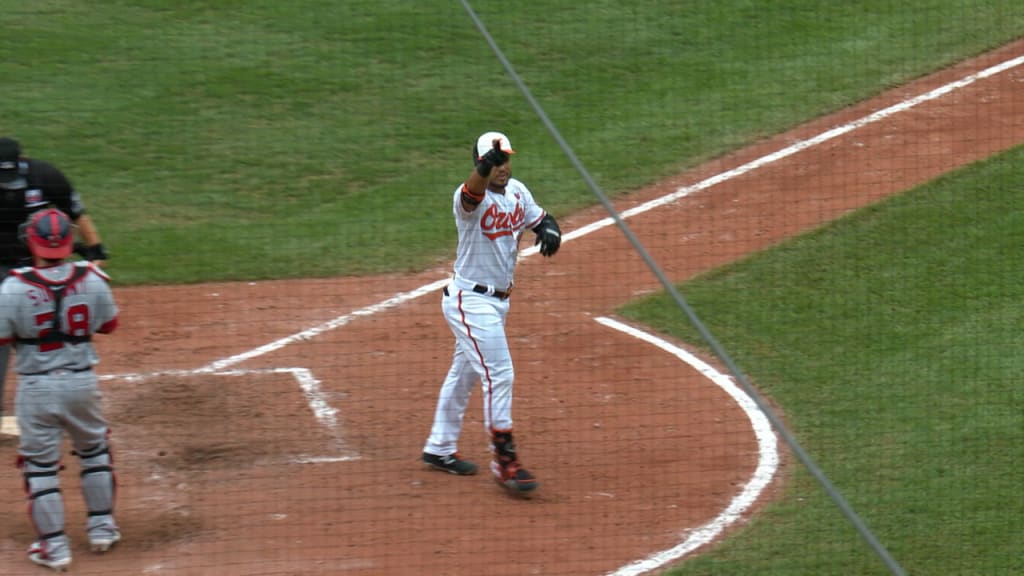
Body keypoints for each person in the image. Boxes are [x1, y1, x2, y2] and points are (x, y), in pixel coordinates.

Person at [422, 131, 562, 497]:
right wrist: (484, 165)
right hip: (470, 301)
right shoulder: (468, 198)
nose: (503, 168)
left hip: (498, 303)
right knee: (500, 374)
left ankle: (439, 447)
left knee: (464, 372)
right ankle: (505, 462)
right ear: (482, 163)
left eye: (505, 161)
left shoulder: (518, 190)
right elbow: (472, 193)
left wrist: (549, 228)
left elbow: (539, 218)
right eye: (495, 162)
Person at [0, 207, 120, 571]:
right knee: (94, 450)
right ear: (70, 243)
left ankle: (55, 548)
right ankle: (102, 528)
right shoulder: (94, 277)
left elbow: (2, 338)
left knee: (40, 467)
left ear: (31, 242)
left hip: (37, 388)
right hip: (82, 382)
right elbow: (110, 325)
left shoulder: (13, 287)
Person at [0, 137, 109, 437]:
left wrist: (96, 250)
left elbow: (77, 213)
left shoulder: (44, 175)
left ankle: (55, 396)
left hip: (39, 264)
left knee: (48, 324)